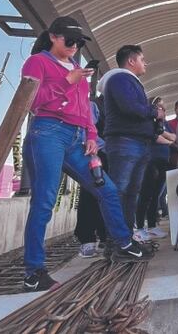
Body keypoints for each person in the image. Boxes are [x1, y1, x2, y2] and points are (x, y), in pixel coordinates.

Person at [20, 17, 150, 291]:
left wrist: (91, 135)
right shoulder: (38, 62)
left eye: (78, 42)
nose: (74, 46)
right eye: (70, 40)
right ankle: (34, 271)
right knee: (44, 201)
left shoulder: (78, 68)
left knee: (108, 189)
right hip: (47, 131)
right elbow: (31, 100)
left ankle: (123, 242)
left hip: (77, 137)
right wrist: (68, 80)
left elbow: (84, 106)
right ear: (54, 37)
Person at [98, 45, 157, 237]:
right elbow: (130, 107)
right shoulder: (119, 79)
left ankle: (126, 235)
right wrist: (153, 112)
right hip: (125, 141)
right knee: (119, 190)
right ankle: (115, 238)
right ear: (131, 61)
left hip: (137, 142)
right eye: (142, 59)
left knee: (131, 192)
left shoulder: (130, 81)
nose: (145, 63)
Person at [135, 97, 175, 239]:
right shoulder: (148, 123)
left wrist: (167, 136)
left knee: (156, 195)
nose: (162, 111)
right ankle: (139, 226)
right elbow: (157, 137)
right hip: (150, 161)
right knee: (145, 195)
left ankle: (152, 225)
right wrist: (169, 141)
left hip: (163, 161)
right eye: (159, 108)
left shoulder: (163, 124)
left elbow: (173, 136)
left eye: (163, 109)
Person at [74, 100, 107, 257]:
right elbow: (88, 129)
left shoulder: (108, 106)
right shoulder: (95, 105)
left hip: (106, 154)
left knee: (106, 196)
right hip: (94, 153)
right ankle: (86, 239)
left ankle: (105, 236)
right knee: (90, 196)